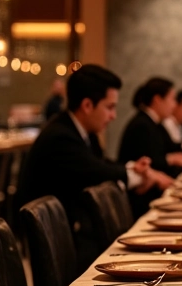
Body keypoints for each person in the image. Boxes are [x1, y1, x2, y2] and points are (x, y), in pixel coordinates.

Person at [18, 64, 160, 269]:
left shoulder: (82, 132)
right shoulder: (60, 136)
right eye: (110, 107)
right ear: (87, 105)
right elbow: (96, 173)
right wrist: (145, 176)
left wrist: (135, 169)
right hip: (60, 245)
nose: (113, 116)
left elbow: (101, 163)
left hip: (76, 234)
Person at [118, 77, 182, 215]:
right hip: (142, 202)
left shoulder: (154, 123)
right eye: (172, 99)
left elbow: (169, 149)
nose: (174, 105)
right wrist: (171, 159)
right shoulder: (142, 124)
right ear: (158, 99)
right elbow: (149, 162)